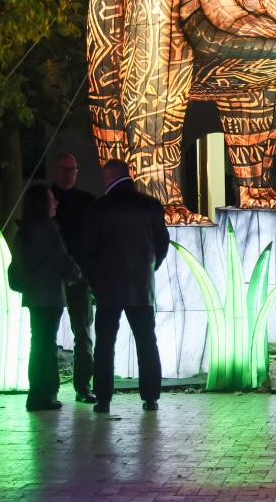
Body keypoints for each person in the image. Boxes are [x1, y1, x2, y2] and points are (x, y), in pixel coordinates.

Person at [81, 159, 170, 413]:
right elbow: (162, 243)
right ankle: (151, 396)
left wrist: (94, 281)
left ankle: (104, 398)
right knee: (146, 341)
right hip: (141, 286)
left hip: (107, 287)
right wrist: (149, 268)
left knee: (105, 342)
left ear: (109, 177)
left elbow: (88, 250)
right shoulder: (150, 206)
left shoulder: (99, 208)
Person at [14, 184, 79, 411]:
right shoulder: (47, 227)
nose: (56, 203)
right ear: (43, 203)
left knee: (38, 342)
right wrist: (76, 275)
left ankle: (36, 392)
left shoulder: (26, 228)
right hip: (49, 293)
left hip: (33, 294)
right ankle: (46, 393)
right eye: (52, 199)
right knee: (46, 344)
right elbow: (60, 258)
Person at [49, 152, 97, 404]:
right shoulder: (48, 199)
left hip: (77, 276)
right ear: (56, 171)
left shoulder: (85, 202)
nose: (69, 173)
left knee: (82, 333)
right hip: (59, 276)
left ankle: (82, 386)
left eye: (72, 169)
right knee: (52, 336)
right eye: (64, 169)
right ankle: (57, 388)